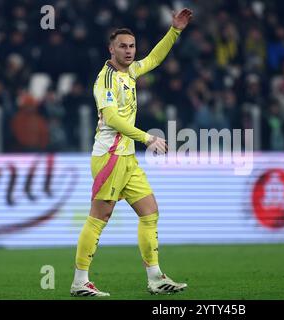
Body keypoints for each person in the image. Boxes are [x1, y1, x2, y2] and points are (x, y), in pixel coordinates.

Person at [70, 8, 193, 297]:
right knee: (100, 217)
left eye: (131, 46)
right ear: (111, 49)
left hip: (127, 159)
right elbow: (112, 119)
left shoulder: (131, 71)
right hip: (109, 156)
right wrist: (147, 137)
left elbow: (154, 59)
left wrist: (175, 31)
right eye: (122, 46)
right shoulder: (107, 79)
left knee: (150, 212)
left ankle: (155, 278)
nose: (128, 51)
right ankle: (79, 281)